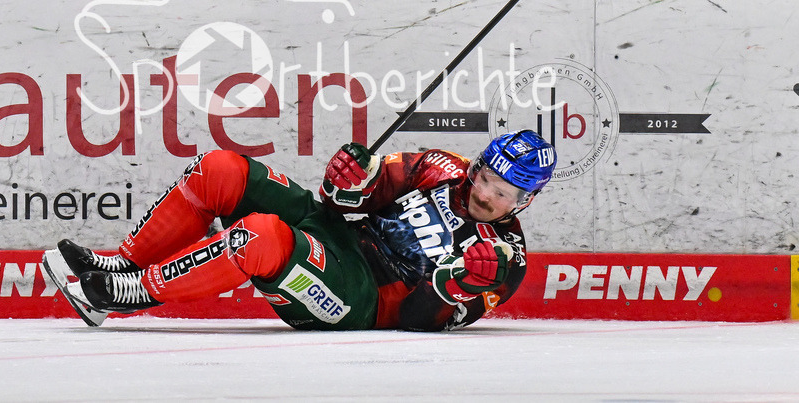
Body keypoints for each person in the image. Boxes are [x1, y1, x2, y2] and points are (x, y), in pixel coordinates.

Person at [44, 130, 557, 332]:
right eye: (487, 178)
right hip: (341, 237)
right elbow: (355, 196)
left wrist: (453, 286)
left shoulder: (504, 261)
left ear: (524, 201)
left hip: (360, 299)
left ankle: (128, 294)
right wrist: (350, 177)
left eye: (504, 193)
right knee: (219, 168)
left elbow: (418, 322)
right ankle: (124, 262)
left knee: (261, 236)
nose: (486, 194)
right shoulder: (443, 167)